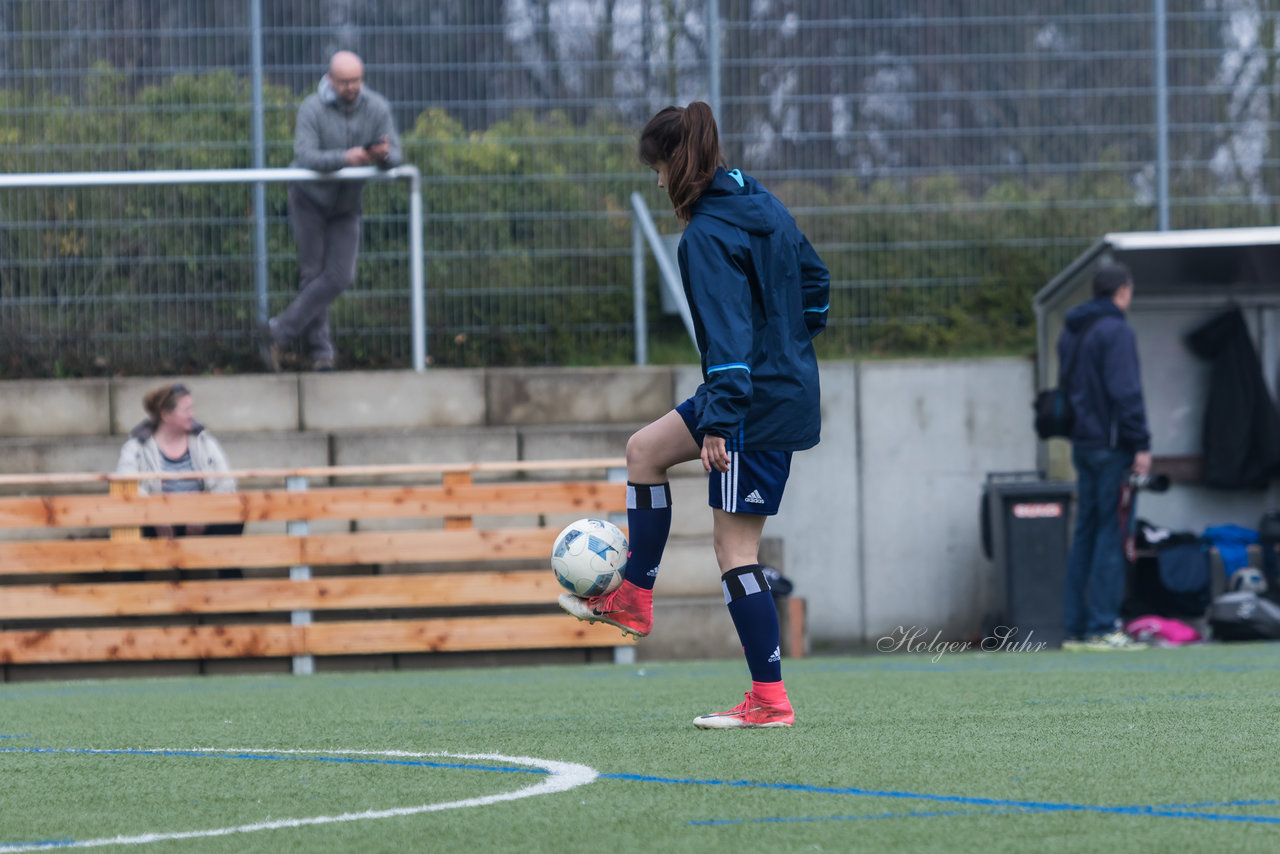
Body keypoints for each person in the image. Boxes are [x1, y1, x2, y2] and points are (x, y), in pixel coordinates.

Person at [559, 102, 829, 728]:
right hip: (768, 387)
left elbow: (729, 339)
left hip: (749, 405)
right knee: (644, 452)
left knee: (735, 551)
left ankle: (769, 698)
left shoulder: (706, 234)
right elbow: (815, 282)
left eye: (657, 169)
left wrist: (722, 423)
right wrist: (790, 342)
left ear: (678, 165)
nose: (656, 183)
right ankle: (634, 595)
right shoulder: (762, 203)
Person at [258, 50, 402, 372]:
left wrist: (382, 156)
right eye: (345, 82)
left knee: (340, 276)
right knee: (313, 275)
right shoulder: (312, 107)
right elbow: (306, 156)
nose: (352, 87)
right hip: (309, 200)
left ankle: (278, 330)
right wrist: (345, 158)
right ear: (331, 80)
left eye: (356, 80)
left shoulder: (376, 106)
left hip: (347, 206)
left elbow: (397, 155)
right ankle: (322, 354)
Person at [1058, 262, 1152, 651]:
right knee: (1112, 533)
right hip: (1112, 448)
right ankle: (1102, 626)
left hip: (1083, 445)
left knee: (1085, 533)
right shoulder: (1116, 331)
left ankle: (1076, 629)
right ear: (1123, 291)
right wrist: (1141, 443)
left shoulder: (1072, 332)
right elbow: (1125, 392)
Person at [115, 383, 242, 577]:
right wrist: (156, 514)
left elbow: (226, 484)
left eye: (192, 408)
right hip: (157, 522)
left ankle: (235, 600)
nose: (192, 414)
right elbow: (126, 485)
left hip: (200, 519)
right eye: (186, 409)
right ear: (166, 415)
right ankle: (131, 602)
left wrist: (203, 511)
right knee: (130, 528)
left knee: (231, 520)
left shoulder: (205, 442)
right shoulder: (136, 446)